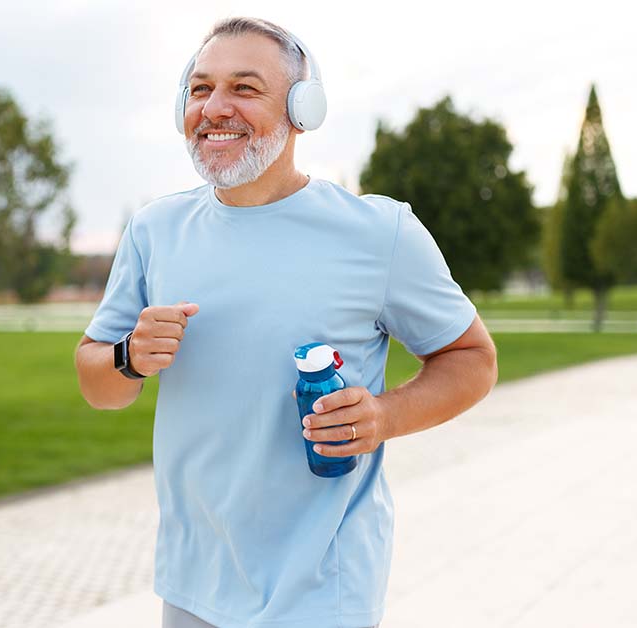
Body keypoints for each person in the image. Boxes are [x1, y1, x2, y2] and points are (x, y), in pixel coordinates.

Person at [73, 17, 498, 628]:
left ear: (303, 108)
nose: (215, 108)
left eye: (244, 89)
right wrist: (128, 357)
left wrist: (382, 417)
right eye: (200, 89)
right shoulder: (153, 232)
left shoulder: (380, 233)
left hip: (324, 591)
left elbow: (473, 360)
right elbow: (98, 385)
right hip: (193, 583)